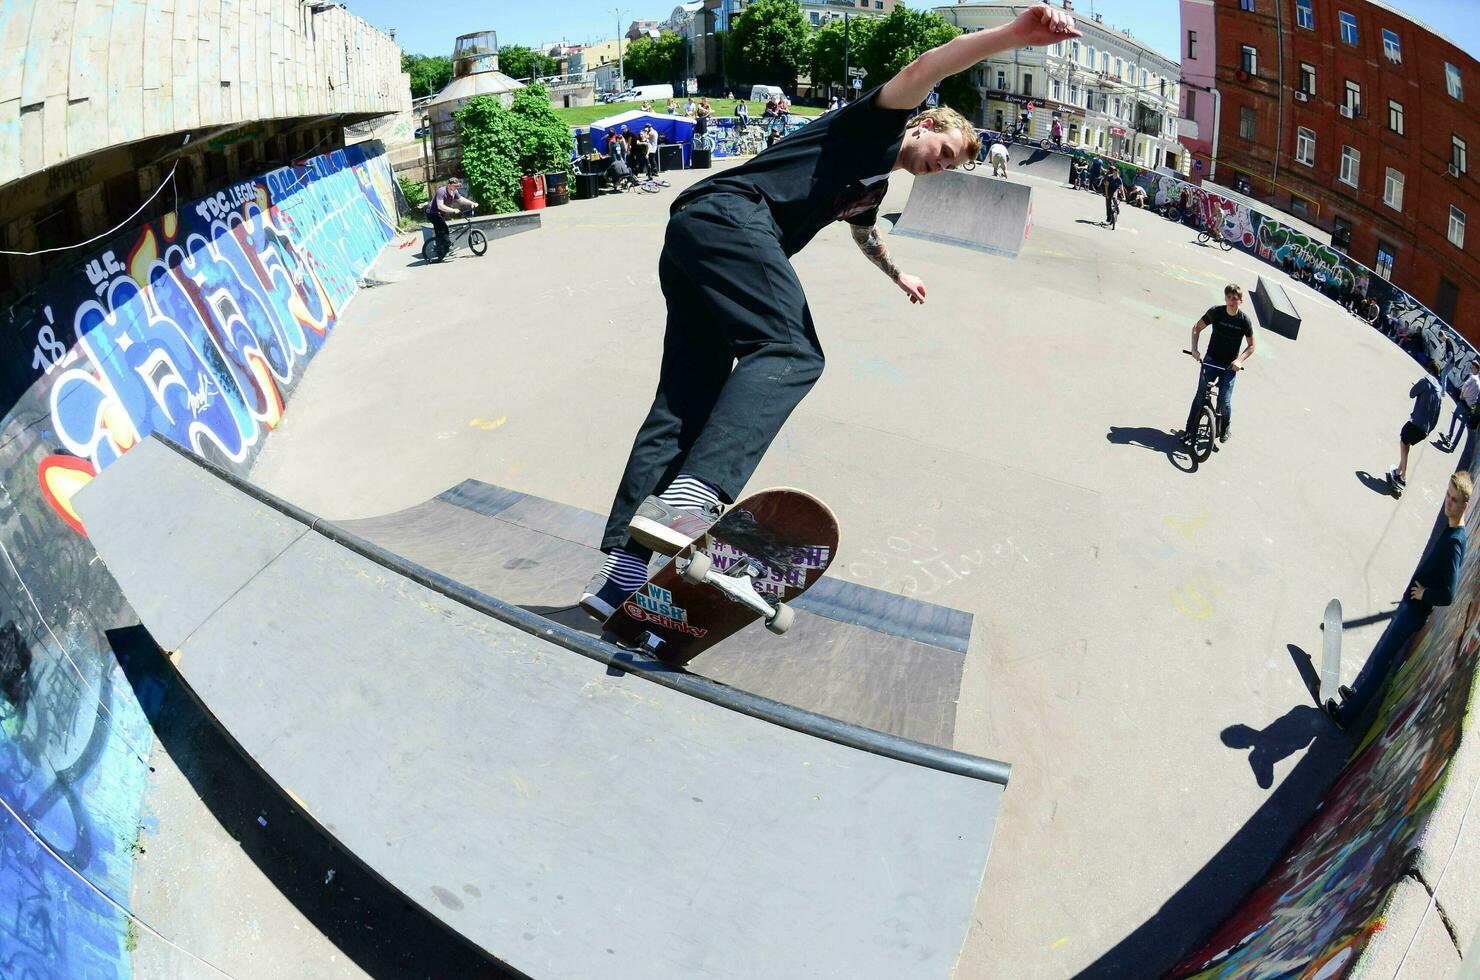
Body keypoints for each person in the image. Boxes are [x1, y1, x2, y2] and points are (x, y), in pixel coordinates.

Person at [577, 3, 1079, 618]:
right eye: (942, 151)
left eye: (948, 168)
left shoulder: (873, 183)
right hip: (734, 216)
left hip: (693, 236)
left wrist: (900, 277)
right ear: (923, 126)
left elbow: (866, 235)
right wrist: (1013, 35)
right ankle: (692, 497)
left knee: (685, 398)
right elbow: (929, 64)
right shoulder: (879, 123)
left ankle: (615, 575)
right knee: (791, 351)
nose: (938, 166)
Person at [1325, 471, 1472, 729]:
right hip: (1410, 606)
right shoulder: (1452, 529)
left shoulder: (1455, 543)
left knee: (1382, 660)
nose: (1448, 503)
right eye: (1448, 496)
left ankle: (1346, 716)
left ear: (1465, 505)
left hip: (1414, 611)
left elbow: (1449, 593)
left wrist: (1425, 594)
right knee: (1382, 655)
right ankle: (1357, 696)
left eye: (1454, 500)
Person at [1180, 284, 1256, 447]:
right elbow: (1197, 328)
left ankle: (1225, 427)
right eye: (1228, 297)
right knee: (1200, 395)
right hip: (1211, 360)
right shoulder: (1216, 312)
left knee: (1224, 400)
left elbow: (1251, 346)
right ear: (1225, 298)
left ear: (1240, 301)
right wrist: (1194, 349)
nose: (1231, 301)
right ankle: (1188, 431)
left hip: (1229, 366)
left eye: (1235, 298)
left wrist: (1239, 360)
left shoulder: (1244, 321)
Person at [1386, 358, 1444, 495]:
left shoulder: (1426, 381)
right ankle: (1398, 471)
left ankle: (1403, 476)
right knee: (1407, 444)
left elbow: (1411, 393)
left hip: (1416, 423)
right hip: (1426, 430)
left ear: (1429, 369)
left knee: (1403, 439)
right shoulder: (1439, 392)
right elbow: (1437, 415)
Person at [425, 176, 475, 251]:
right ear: (449, 185)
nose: (456, 187)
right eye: (455, 186)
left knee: (440, 232)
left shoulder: (454, 191)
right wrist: (453, 210)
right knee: (444, 228)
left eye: (457, 186)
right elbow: (440, 206)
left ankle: (440, 249)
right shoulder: (441, 191)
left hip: (440, 213)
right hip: (432, 213)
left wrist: (471, 203)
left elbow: (461, 199)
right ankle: (448, 246)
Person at [1441, 359, 1480, 450]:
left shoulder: (1472, 377)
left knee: (1455, 416)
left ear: (1476, 369)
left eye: (1473, 368)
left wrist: (1462, 395)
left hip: (1463, 402)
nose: (1471, 369)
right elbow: (1477, 399)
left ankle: (1450, 435)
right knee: (1462, 426)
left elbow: (1464, 386)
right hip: (1470, 407)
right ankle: (1454, 446)